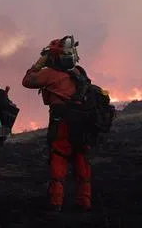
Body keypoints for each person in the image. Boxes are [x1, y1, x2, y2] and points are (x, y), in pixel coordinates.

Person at [22, 37, 94, 212]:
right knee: (81, 157)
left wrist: (40, 62)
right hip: (82, 124)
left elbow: (27, 81)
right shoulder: (79, 72)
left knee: (59, 157)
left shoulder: (48, 74)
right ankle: (84, 200)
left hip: (61, 122)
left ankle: (56, 201)